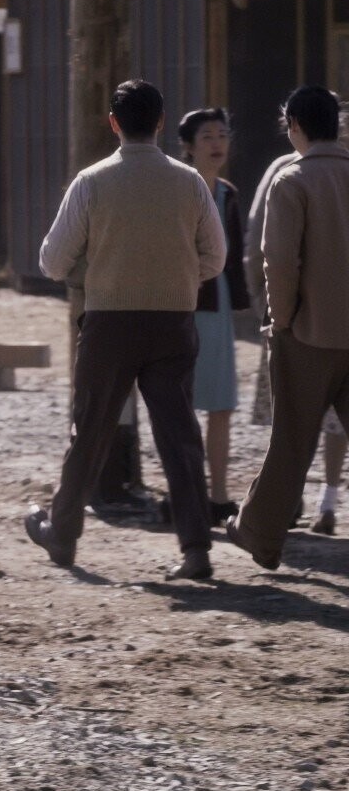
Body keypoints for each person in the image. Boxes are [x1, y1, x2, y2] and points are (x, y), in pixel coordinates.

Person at [25, 80, 225, 580]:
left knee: (90, 429)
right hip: (173, 322)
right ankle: (196, 548)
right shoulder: (190, 182)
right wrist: (177, 276)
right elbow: (215, 258)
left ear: (113, 123)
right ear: (161, 122)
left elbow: (52, 262)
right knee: (179, 435)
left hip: (109, 321)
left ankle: (62, 533)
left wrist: (91, 269)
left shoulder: (92, 181)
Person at [228, 87, 349, 569]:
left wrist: (279, 320)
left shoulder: (292, 179)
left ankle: (260, 535)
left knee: (292, 441)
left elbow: (278, 262)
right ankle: (255, 529)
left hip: (307, 333)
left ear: (294, 125)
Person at [178, 108, 251, 525]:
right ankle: (187, 493)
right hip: (177, 304)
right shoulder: (176, 189)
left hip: (216, 303)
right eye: (207, 136)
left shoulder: (227, 193)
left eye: (222, 134)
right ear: (188, 146)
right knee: (180, 405)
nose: (217, 143)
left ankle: (219, 495)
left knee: (221, 404)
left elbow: (235, 258)